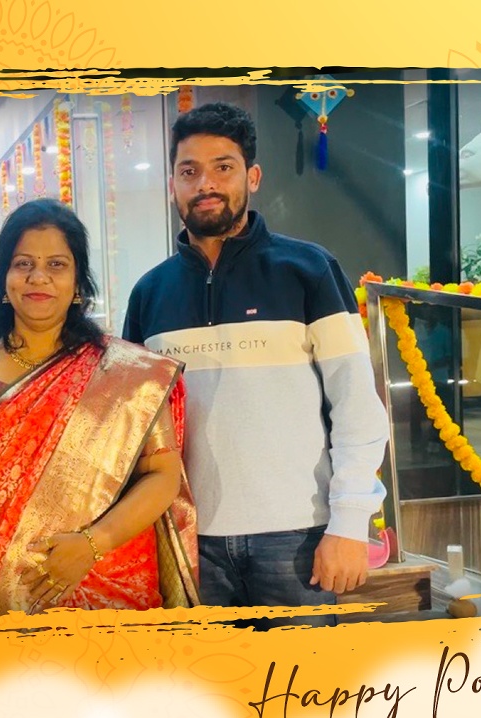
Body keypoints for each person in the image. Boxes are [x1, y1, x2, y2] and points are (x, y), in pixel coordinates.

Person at [122, 102, 389, 628]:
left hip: (299, 540)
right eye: (189, 171)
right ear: (172, 186)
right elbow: (135, 429)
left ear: (253, 177)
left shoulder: (308, 270)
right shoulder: (150, 293)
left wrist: (350, 524)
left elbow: (357, 407)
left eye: (223, 167)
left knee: (305, 680)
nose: (205, 184)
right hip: (190, 543)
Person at [0, 199, 199, 617]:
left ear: (78, 282)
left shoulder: (127, 373)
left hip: (107, 581)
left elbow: (162, 475)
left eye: (57, 264)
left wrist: (92, 544)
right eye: (23, 263)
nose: (39, 277)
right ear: (4, 279)